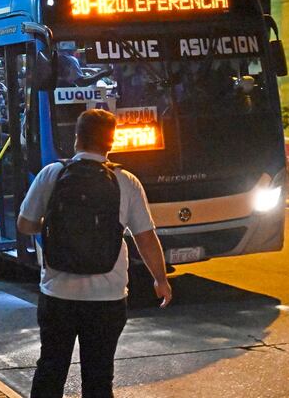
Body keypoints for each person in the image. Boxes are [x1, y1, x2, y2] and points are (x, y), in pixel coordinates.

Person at [16, 109, 172, 398]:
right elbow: (145, 237)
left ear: (76, 139)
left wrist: (52, 225)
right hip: (107, 298)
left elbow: (24, 225)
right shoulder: (126, 181)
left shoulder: (52, 174)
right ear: (110, 143)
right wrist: (160, 280)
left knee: (50, 369)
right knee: (99, 377)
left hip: (57, 294)